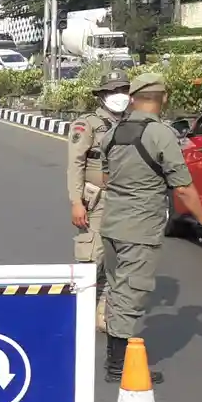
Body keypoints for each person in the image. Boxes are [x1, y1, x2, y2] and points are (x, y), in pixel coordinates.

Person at [100, 74, 202, 385]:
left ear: (133, 98)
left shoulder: (113, 132)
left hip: (112, 225)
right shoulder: (161, 134)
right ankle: (119, 366)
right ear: (163, 98)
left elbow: (106, 179)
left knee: (117, 290)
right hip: (140, 229)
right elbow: (183, 188)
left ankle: (114, 358)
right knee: (131, 294)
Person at [67, 70, 131, 332]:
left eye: (123, 90)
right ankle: (80, 310)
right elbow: (75, 164)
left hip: (125, 198)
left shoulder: (133, 123)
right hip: (96, 199)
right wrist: (76, 201)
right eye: (114, 91)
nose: (120, 96)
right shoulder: (88, 124)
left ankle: (103, 312)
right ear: (103, 95)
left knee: (120, 259)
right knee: (92, 257)